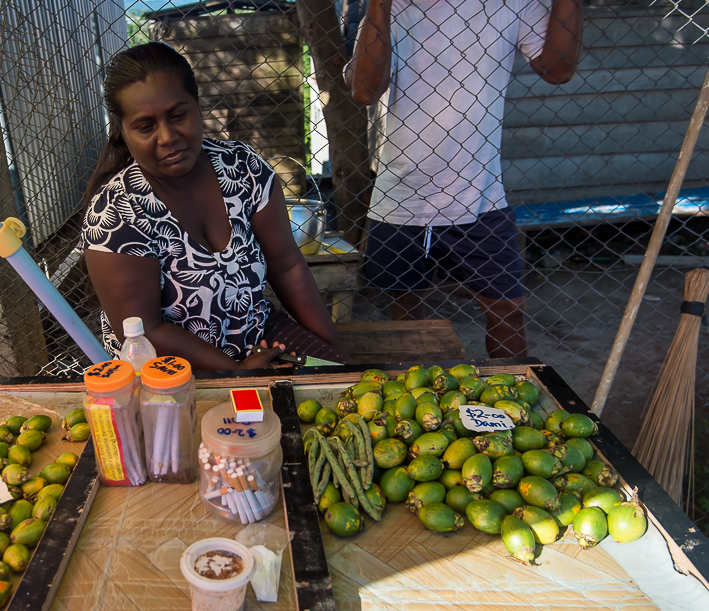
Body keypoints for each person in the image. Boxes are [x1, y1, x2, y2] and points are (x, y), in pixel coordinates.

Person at [80, 42, 352, 371]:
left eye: (178, 115)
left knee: (336, 386)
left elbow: (287, 266)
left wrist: (336, 356)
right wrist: (236, 373)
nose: (167, 137)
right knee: (236, 421)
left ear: (197, 107)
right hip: (168, 368)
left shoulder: (243, 168)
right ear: (123, 131)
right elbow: (145, 331)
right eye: (146, 126)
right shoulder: (116, 212)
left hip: (258, 336)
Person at [344, 0, 582, 358]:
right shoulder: (391, 9)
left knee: (507, 309)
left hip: (480, 194)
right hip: (402, 196)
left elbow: (558, 69)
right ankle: (417, 399)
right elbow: (363, 90)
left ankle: (510, 400)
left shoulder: (510, 4)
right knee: (407, 313)